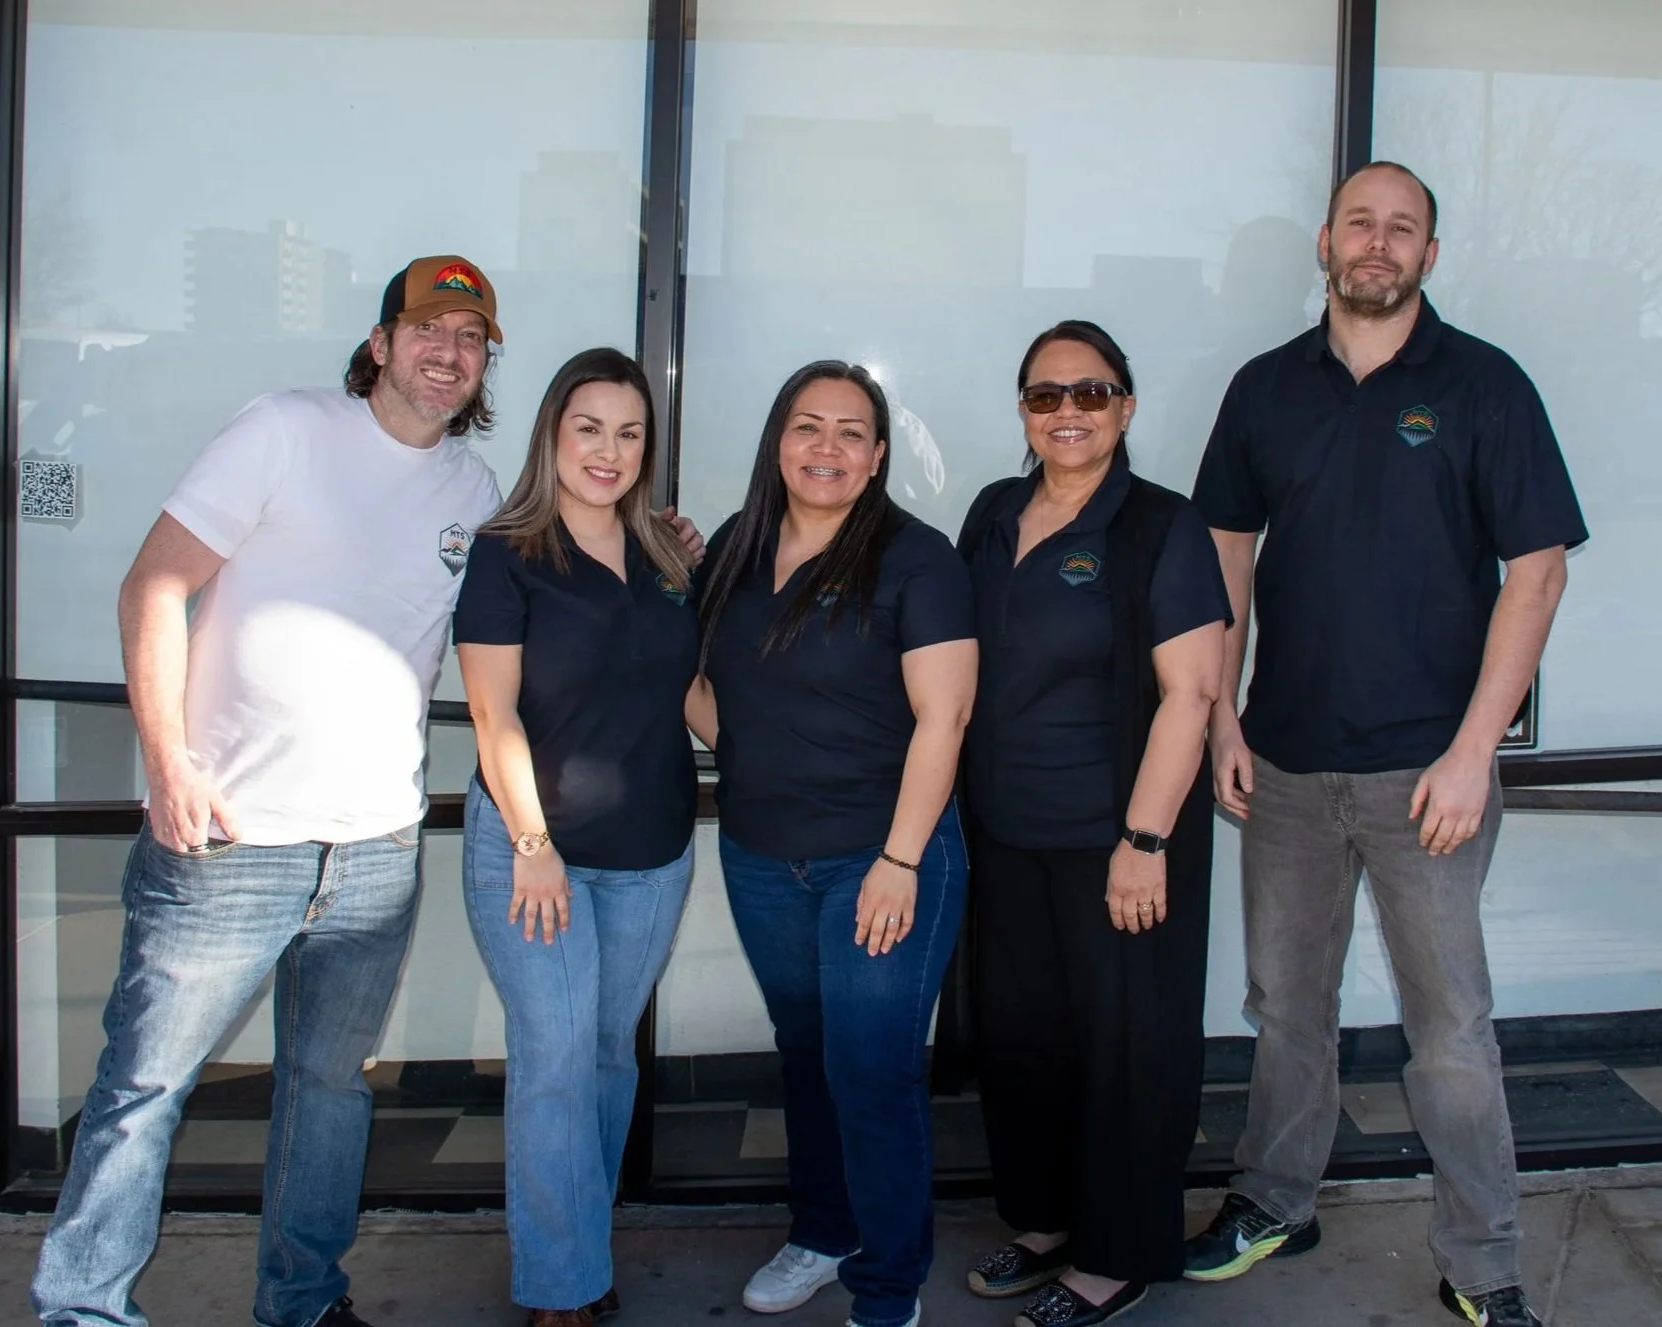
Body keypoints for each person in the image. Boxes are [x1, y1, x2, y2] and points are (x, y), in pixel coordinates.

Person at [31, 257, 702, 1327]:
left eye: (470, 337)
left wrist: (669, 563)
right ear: (381, 342)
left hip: (376, 845)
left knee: (329, 1092)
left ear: (487, 365)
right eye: (427, 328)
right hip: (231, 833)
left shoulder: (475, 497)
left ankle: (301, 1301)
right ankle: (82, 1307)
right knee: (143, 1089)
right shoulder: (284, 430)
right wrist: (167, 762)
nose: (448, 351)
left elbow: (589, 611)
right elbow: (155, 582)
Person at [1183, 162, 1587, 1327]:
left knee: (1448, 1028)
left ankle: (1483, 1262)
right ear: (1323, 241)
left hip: (1429, 773)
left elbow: (1538, 570)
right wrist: (1221, 715)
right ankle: (1273, 1199)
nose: (1377, 243)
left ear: (1428, 255)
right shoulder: (1265, 389)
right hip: (1288, 762)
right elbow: (1222, 550)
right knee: (1285, 1003)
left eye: (1400, 228)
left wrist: (1474, 751)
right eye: (1359, 223)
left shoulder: (1482, 385)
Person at [687, 362, 976, 1327]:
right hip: (764, 855)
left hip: (882, 855)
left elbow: (945, 719)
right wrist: (750, 748)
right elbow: (698, 681)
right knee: (806, 1052)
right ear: (778, 441)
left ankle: (887, 1287)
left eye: (852, 431)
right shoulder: (737, 544)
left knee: (871, 1064)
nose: (827, 447)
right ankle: (824, 1228)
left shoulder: (915, 557)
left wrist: (898, 862)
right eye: (808, 426)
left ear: (878, 455)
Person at [956, 321, 1230, 1327]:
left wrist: (1144, 840)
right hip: (1002, 832)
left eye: (1090, 392)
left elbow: (1189, 695)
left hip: (1115, 840)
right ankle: (1042, 1220)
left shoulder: (1161, 526)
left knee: (1125, 1046)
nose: (1066, 412)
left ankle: (1114, 1252)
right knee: (1024, 1037)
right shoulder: (991, 513)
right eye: (1044, 395)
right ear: (1022, 410)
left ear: (1125, 405)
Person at [453, 348, 699, 1327]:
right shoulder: (505, 551)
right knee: (554, 1051)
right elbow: (491, 713)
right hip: (532, 852)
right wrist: (531, 842)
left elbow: (693, 695)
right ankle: (560, 1286)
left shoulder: (673, 558)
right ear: (553, 431)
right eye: (588, 427)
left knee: (602, 1053)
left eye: (629, 432)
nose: (609, 450)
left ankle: (575, 1240)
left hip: (652, 853)